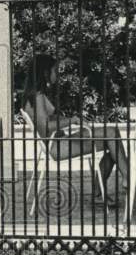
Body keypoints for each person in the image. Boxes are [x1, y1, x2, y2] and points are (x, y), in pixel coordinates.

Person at [21, 54, 128, 207]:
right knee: (111, 134)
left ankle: (103, 191)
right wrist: (72, 120)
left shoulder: (37, 94)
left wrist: (66, 119)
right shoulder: (37, 96)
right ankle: (126, 178)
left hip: (61, 141)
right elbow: (45, 127)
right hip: (57, 147)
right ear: (45, 72)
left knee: (113, 141)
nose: (57, 74)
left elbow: (48, 121)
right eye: (55, 71)